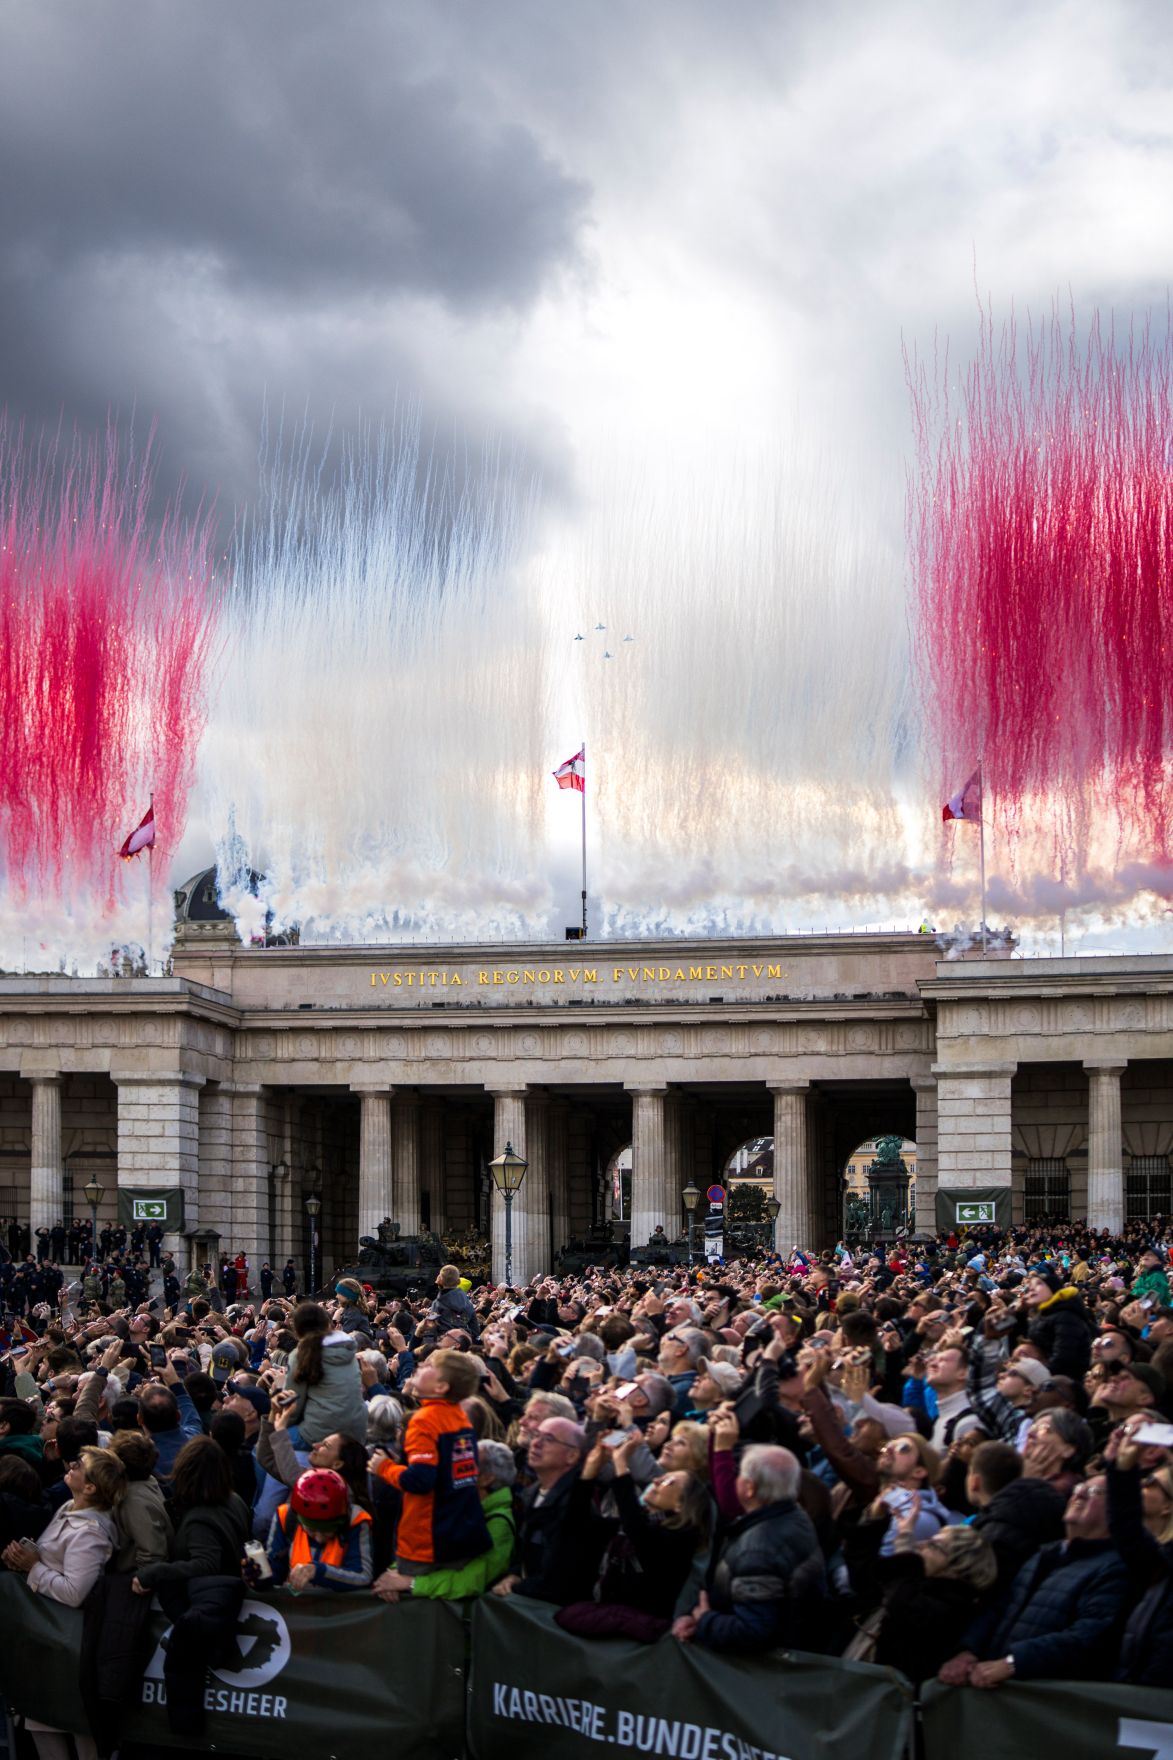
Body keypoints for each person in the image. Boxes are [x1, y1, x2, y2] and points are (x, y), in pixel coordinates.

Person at [939, 1473, 1131, 1686]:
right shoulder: (1042, 1554)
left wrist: (1014, 1662)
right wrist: (968, 1651)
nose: (1080, 1494)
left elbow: (1089, 1636)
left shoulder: (1114, 1567)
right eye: (1078, 1488)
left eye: (1094, 1491)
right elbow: (998, 1607)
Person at [1, 1446, 127, 1760]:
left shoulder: (90, 1532)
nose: (71, 1465)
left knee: (82, 1741)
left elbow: (74, 1592)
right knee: (46, 1736)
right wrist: (22, 1560)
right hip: (48, 1644)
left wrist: (32, 1567)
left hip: (70, 1653)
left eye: (79, 1465)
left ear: (91, 1487)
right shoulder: (69, 1507)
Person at [131, 1435, 252, 1737]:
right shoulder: (234, 1501)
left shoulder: (200, 1519)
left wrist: (154, 1573)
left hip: (204, 1612)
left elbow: (205, 1564)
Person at [673, 1445, 825, 1653]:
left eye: (739, 1475)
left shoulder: (757, 1550)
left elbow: (753, 1631)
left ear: (749, 1488)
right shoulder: (793, 1516)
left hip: (762, 1670)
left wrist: (706, 1620)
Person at [371, 1348, 489, 1576]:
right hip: (458, 1530)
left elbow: (420, 1480)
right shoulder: (459, 1417)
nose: (420, 1366)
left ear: (441, 1387)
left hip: (426, 1541)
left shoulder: (424, 1421)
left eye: (429, 1366)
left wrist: (384, 1467)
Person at [373, 1438, 517, 1602]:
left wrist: (411, 1583)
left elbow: (471, 1581)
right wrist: (393, 1576)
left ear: (486, 1479)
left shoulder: (499, 1522)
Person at [260, 1466, 373, 1590]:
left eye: (327, 1531)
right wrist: (259, 1576)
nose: (319, 1539)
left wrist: (318, 1572)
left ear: (341, 1522)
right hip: (295, 1605)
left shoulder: (356, 1521)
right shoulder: (285, 1518)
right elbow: (275, 1574)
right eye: (311, 1530)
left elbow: (363, 1576)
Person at [282, 1300, 368, 1445]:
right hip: (358, 1428)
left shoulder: (301, 1355)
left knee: (268, 1444)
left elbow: (293, 1406)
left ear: (297, 1330)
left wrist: (279, 1424)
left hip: (322, 1432)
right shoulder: (347, 1348)